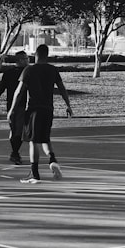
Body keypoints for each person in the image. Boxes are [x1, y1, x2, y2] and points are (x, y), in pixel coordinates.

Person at [8, 44, 72, 184]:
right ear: (47, 55)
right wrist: (68, 105)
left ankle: (35, 173)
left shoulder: (29, 69)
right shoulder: (53, 70)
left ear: (35, 55)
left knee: (33, 141)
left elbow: (19, 92)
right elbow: (62, 88)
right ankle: (52, 160)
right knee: (45, 138)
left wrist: (12, 109)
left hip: (34, 110)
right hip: (48, 109)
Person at [0, 50, 30, 164]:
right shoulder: (12, 73)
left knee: (19, 131)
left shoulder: (27, 72)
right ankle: (15, 153)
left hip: (23, 105)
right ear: (20, 60)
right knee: (15, 131)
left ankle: (15, 153)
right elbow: (2, 88)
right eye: (26, 58)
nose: (28, 60)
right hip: (14, 105)